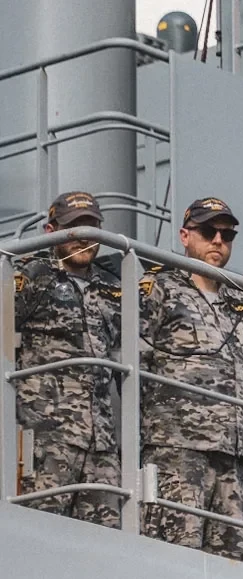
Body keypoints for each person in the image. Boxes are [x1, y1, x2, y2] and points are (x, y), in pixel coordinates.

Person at [139, 197, 243, 558]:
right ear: (185, 235)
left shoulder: (242, 301)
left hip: (234, 454)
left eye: (227, 235)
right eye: (209, 231)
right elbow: (131, 362)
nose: (218, 241)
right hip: (178, 447)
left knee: (232, 563)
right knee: (176, 553)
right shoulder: (159, 288)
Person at [12, 190, 123, 528]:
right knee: (46, 534)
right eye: (74, 229)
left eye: (91, 230)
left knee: (108, 544)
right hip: (49, 435)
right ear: (52, 231)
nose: (83, 239)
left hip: (101, 441)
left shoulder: (112, 286)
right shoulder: (33, 274)